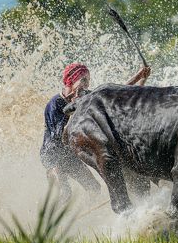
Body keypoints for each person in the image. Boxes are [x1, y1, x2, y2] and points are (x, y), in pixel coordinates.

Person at [40, 62, 151, 196]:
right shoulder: (55, 103)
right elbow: (61, 135)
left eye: (88, 80)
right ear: (71, 80)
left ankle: (86, 212)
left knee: (94, 188)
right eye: (83, 80)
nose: (87, 84)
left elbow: (111, 94)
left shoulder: (83, 97)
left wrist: (140, 76)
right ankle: (54, 175)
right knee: (65, 193)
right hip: (54, 154)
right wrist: (74, 108)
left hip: (70, 154)